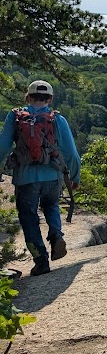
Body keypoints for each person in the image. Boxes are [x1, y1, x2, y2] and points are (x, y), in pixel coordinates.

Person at [0, 80, 80, 276]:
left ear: (27, 97)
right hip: (52, 176)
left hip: (25, 178)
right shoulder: (57, 119)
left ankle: (41, 260)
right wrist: (75, 177)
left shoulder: (16, 116)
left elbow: (2, 146)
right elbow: (71, 152)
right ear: (50, 99)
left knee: (28, 218)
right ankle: (55, 235)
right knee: (51, 205)